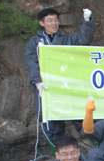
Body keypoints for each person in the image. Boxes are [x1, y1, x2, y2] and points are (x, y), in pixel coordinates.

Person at [25, 8, 94, 149]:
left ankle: (99, 155)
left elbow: (84, 40)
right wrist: (37, 81)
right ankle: (58, 157)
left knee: (82, 120)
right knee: (52, 125)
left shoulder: (67, 38)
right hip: (47, 89)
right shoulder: (35, 42)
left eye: (56, 19)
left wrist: (87, 22)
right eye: (50, 20)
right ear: (41, 23)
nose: (54, 23)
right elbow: (32, 63)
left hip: (69, 88)